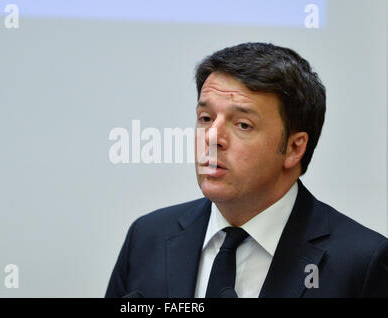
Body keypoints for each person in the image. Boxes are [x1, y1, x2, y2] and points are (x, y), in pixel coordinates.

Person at [105, 42, 388, 298]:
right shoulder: (148, 237)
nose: (212, 137)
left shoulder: (362, 263)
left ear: (294, 148)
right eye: (206, 118)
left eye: (242, 125)